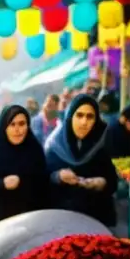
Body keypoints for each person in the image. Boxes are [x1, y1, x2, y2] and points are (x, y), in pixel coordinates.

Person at [44, 94, 119, 226]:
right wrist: (58, 176)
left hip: (95, 219)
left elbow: (112, 181)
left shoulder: (103, 143)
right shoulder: (55, 145)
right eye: (79, 115)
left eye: (90, 117)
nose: (84, 122)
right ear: (70, 117)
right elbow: (41, 179)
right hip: (60, 219)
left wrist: (101, 183)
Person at [0, 105, 48, 226]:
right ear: (4, 127)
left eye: (21, 124)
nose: (17, 129)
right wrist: (2, 183)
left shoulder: (35, 150)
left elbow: (44, 185)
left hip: (30, 222)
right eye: (12, 124)